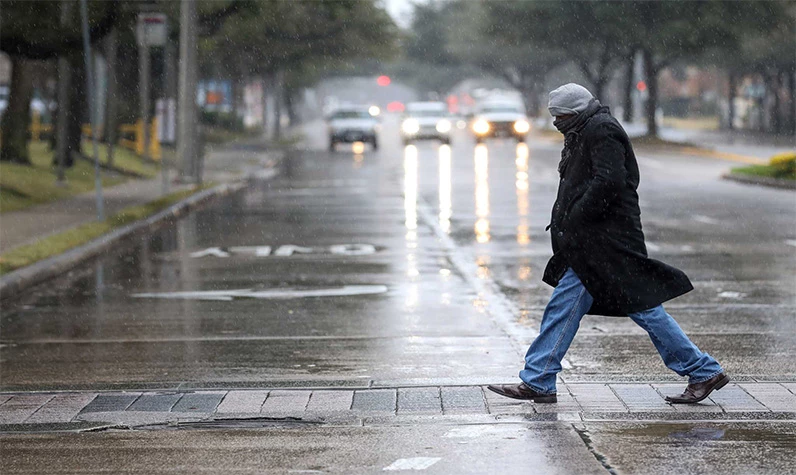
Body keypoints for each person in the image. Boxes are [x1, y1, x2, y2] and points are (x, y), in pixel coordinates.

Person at [488, 83, 728, 404]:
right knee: (590, 307)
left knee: (634, 307)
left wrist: (575, 215)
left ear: (574, 112)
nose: (556, 122)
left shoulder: (601, 131)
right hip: (592, 242)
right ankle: (539, 378)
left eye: (560, 116)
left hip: (606, 241)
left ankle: (702, 369)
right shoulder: (582, 130)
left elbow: (610, 180)